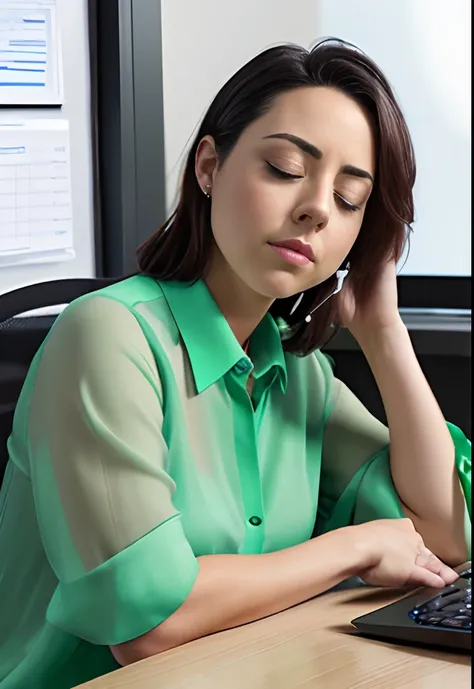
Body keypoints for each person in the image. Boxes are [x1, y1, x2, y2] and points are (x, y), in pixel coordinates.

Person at [0, 38, 471, 689]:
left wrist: (384, 330)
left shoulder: (296, 372)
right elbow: (150, 623)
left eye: (351, 197)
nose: (317, 208)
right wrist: (353, 546)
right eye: (284, 167)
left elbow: (441, 535)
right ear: (209, 167)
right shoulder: (107, 337)